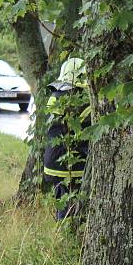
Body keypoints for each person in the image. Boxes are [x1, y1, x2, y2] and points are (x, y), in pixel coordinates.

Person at [43, 57, 90, 220]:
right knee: (69, 210)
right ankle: (64, 236)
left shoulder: (57, 94)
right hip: (68, 165)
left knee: (63, 203)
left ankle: (63, 234)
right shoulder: (83, 101)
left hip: (54, 160)